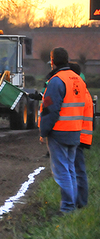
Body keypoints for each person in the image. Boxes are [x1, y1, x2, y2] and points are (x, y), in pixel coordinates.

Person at [39, 48, 86, 214]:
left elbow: (50, 109)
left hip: (59, 132)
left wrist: (43, 131)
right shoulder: (78, 79)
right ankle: (71, 207)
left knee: (61, 172)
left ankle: (67, 208)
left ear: (52, 61)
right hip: (75, 132)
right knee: (71, 170)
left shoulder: (56, 81)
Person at [68, 62, 94, 208]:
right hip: (81, 135)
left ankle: (80, 203)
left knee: (78, 171)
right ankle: (78, 202)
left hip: (77, 135)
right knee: (77, 170)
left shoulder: (79, 91)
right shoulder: (83, 90)